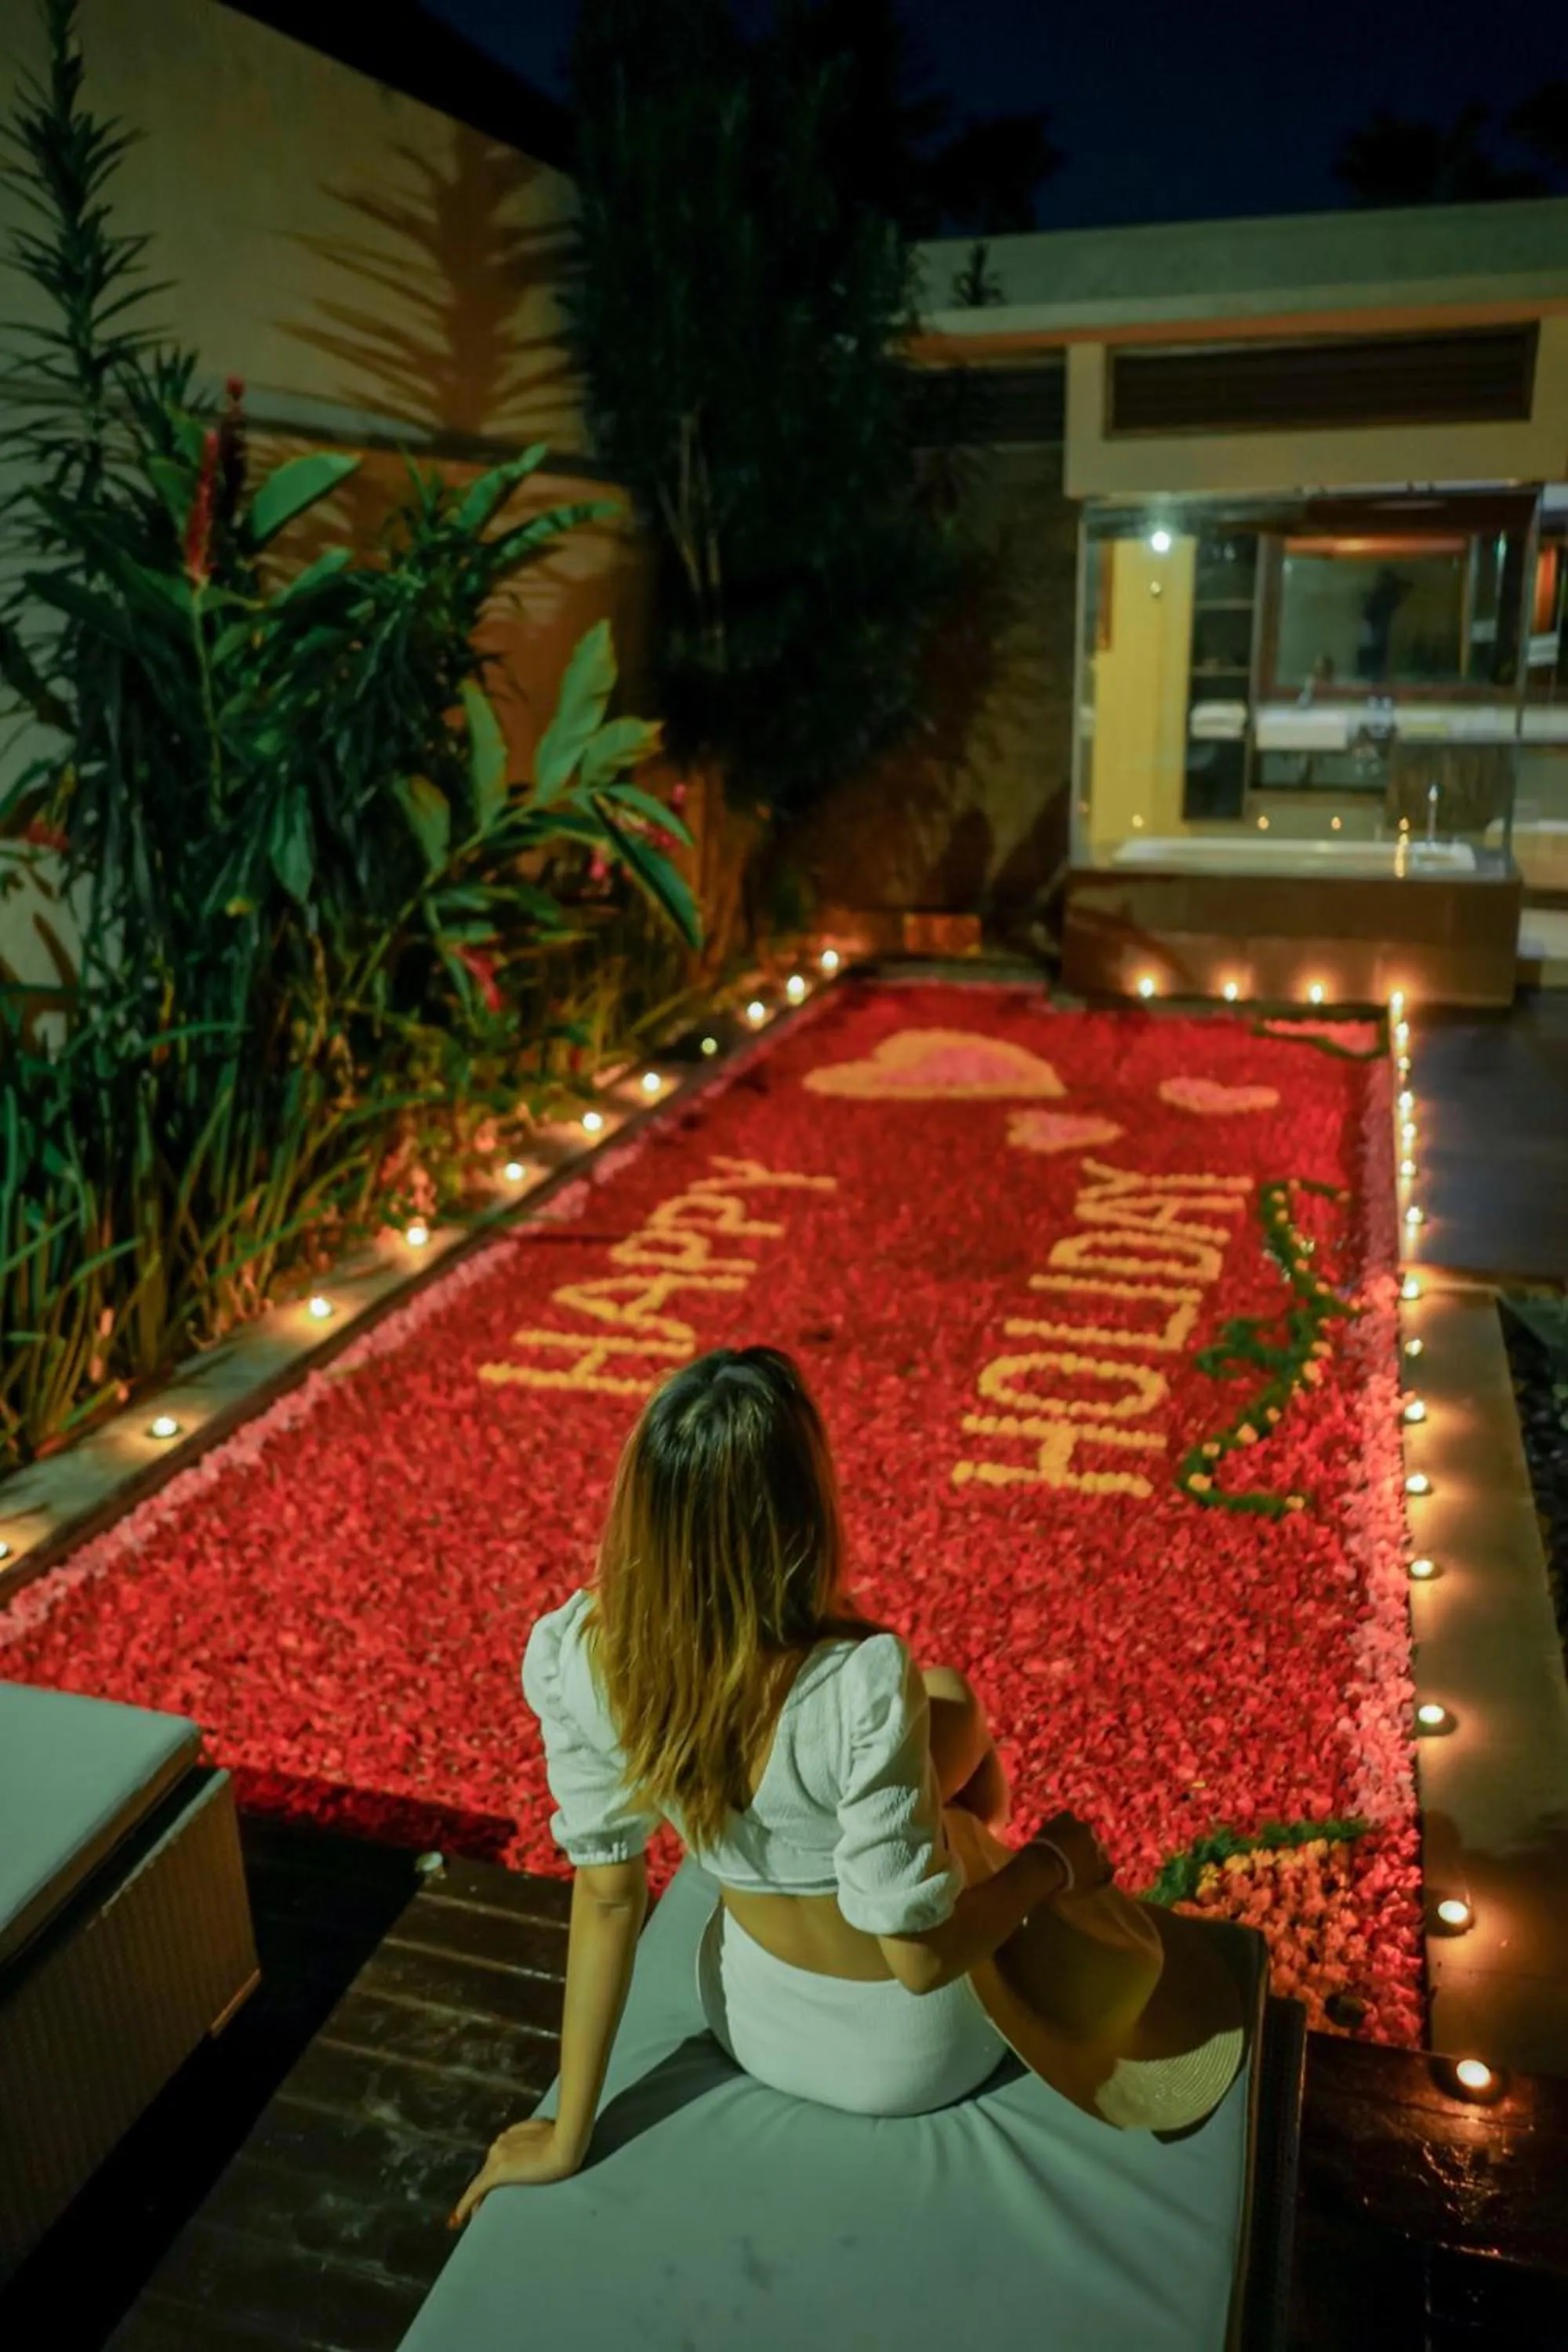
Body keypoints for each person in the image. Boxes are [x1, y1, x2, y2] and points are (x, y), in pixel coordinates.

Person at [452, 1346, 1111, 2220]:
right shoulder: (859, 1682)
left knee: (944, 1712)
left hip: (752, 2023)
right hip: (910, 2058)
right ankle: (971, 1843)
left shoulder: (584, 1657)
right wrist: (1049, 1864)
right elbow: (918, 1962)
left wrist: (566, 2132)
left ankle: (941, 1829)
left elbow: (609, 1900)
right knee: (953, 1720)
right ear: (802, 1513)